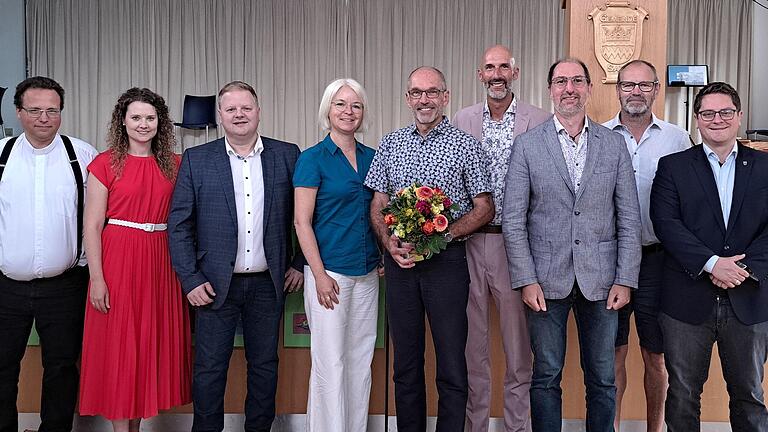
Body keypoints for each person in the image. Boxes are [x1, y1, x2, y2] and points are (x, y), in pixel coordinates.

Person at [502, 58, 641, 432]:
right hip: (545, 282)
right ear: (550, 89)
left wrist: (625, 279)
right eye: (561, 81)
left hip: (603, 282)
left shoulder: (613, 145)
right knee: (546, 375)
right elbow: (513, 221)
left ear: (589, 88)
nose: (569, 88)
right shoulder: (527, 146)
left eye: (577, 81)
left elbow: (629, 218)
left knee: (602, 377)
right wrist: (525, 280)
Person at [168, 81, 303, 432]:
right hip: (212, 285)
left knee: (264, 367)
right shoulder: (197, 160)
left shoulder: (288, 155)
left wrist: (299, 262)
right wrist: (190, 279)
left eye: (246, 108)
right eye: (231, 109)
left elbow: (307, 216)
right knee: (210, 368)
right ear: (220, 115)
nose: (239, 114)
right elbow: (179, 224)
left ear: (259, 111)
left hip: (267, 284)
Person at [365, 66, 494, 431]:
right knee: (405, 364)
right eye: (417, 93)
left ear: (445, 96)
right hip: (401, 264)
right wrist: (389, 242)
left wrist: (444, 235)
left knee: (452, 361)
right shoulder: (391, 143)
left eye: (432, 92)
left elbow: (485, 207)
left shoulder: (466, 145)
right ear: (408, 98)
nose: (425, 99)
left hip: (447, 264)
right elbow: (378, 204)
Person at [650, 82, 768, 431]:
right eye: (708, 113)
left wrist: (739, 268)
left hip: (749, 298)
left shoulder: (763, 167)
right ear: (696, 120)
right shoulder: (673, 166)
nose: (717, 119)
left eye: (725, 112)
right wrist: (712, 263)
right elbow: (666, 223)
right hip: (686, 300)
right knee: (683, 395)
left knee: (749, 394)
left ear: (739, 116)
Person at [77, 88, 192, 432]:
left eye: (150, 118)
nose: (143, 124)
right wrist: (97, 278)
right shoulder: (104, 163)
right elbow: (93, 224)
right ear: (122, 121)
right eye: (136, 117)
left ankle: (137, 428)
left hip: (160, 259)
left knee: (147, 348)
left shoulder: (175, 163)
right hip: (119, 258)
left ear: (161, 122)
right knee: (119, 347)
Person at [453, 44, 550, 432]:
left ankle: (517, 427)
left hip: (517, 245)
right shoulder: (462, 119)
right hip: (470, 242)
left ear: (516, 72)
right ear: (480, 74)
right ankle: (474, 426)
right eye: (489, 67)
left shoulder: (540, 119)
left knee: (518, 349)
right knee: (472, 349)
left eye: (503, 67)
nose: (496, 74)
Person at [0, 76, 97, 432]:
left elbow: (98, 218)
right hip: (6, 286)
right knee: (3, 366)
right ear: (18, 112)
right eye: (35, 110)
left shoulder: (83, 156)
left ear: (61, 112)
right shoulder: (1, 154)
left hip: (65, 286)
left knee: (61, 367)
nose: (44, 118)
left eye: (52, 110)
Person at [602, 60, 690, 432]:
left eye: (643, 85)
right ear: (617, 89)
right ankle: (614, 427)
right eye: (628, 85)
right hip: (609, 260)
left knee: (656, 355)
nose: (635, 92)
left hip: (657, 261)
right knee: (612, 353)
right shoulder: (599, 136)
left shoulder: (678, 138)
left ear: (655, 89)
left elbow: (690, 202)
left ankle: (655, 429)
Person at [293, 78, 380, 431]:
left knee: (360, 363)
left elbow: (378, 215)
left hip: (367, 274)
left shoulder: (373, 157)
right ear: (328, 110)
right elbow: (302, 222)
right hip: (330, 275)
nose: (348, 111)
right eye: (341, 104)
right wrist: (319, 275)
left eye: (356, 105)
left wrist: (383, 256)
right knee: (330, 366)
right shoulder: (312, 159)